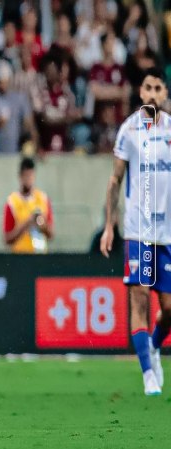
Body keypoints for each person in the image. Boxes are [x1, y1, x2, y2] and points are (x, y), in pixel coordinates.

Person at [100, 67, 171, 396]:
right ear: (141, 94)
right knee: (139, 301)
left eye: (159, 87)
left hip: (167, 234)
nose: (154, 93)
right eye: (148, 88)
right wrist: (109, 226)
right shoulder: (129, 130)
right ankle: (147, 374)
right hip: (138, 231)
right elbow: (115, 181)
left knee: (169, 309)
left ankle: (155, 347)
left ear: (165, 94)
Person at [3, 157, 54, 253]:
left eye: (31, 176)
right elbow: (7, 239)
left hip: (40, 254)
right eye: (26, 176)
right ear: (20, 177)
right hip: (21, 255)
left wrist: (42, 224)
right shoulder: (12, 202)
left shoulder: (43, 198)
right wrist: (26, 224)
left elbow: (51, 234)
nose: (29, 180)